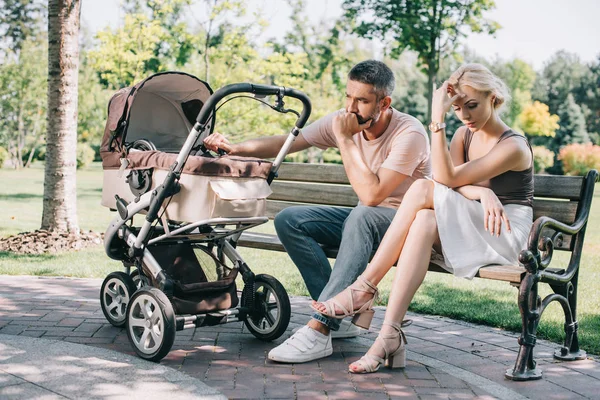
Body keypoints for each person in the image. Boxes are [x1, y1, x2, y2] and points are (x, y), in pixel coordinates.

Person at [203, 60, 431, 363]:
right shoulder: (344, 120)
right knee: (290, 220)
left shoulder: (409, 134)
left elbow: (372, 195)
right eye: (348, 97)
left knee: (362, 213)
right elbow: (290, 141)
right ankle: (339, 319)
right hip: (364, 222)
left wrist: (345, 139)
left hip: (405, 227)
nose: (351, 108)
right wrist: (235, 148)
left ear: (384, 103)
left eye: (362, 100)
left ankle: (320, 328)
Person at [313, 63, 534, 374]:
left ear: (494, 99)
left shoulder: (513, 145)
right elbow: (447, 183)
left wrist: (437, 118)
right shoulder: (462, 135)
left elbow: (443, 180)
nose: (465, 115)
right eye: (456, 107)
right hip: (475, 217)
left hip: (506, 230)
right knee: (424, 221)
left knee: (420, 189)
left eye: (472, 106)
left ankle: (363, 288)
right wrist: (481, 193)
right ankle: (388, 336)